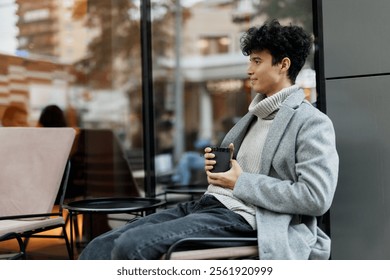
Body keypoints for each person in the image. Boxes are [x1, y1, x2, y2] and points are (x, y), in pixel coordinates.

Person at [79, 19, 338, 260]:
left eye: (257, 61)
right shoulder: (252, 117)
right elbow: (236, 177)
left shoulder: (311, 123)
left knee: (132, 245)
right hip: (209, 205)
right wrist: (222, 174)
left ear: (283, 65)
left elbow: (316, 197)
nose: (249, 70)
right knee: (100, 245)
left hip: (248, 217)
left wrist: (241, 181)